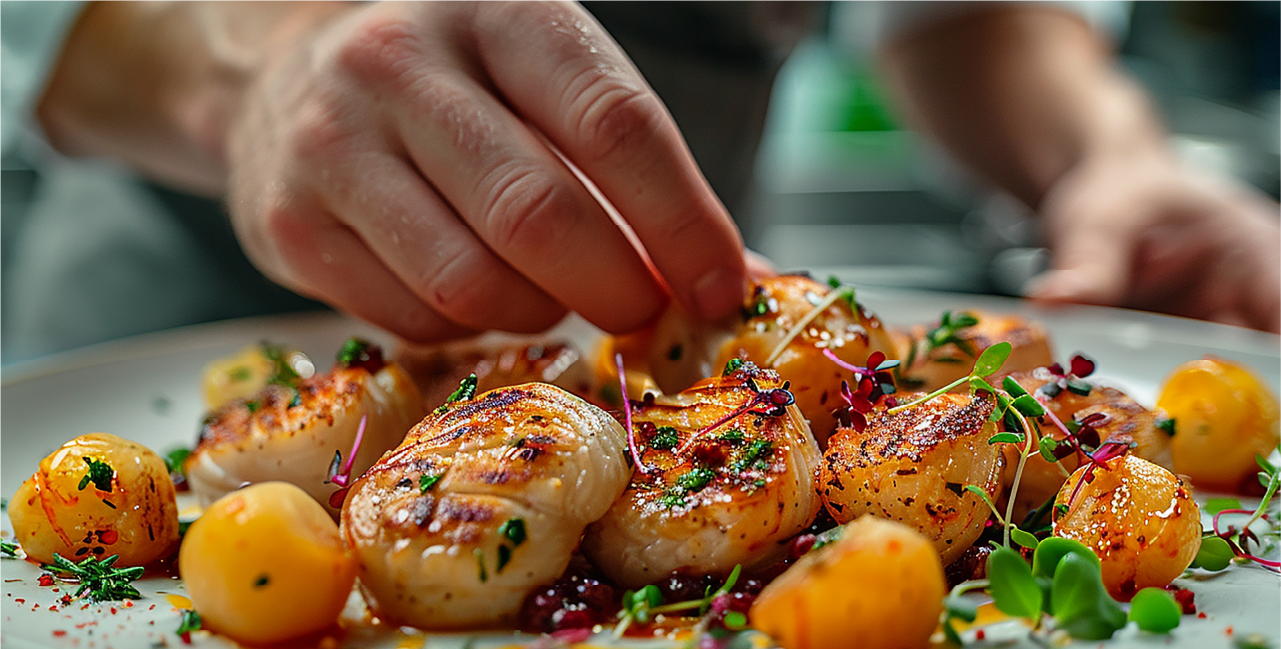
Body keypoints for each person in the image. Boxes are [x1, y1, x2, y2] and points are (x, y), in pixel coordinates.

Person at [3, 1, 1277, 365]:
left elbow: (961, 18)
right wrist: (259, 69)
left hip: (675, 389)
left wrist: (1110, 154)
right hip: (164, 323)